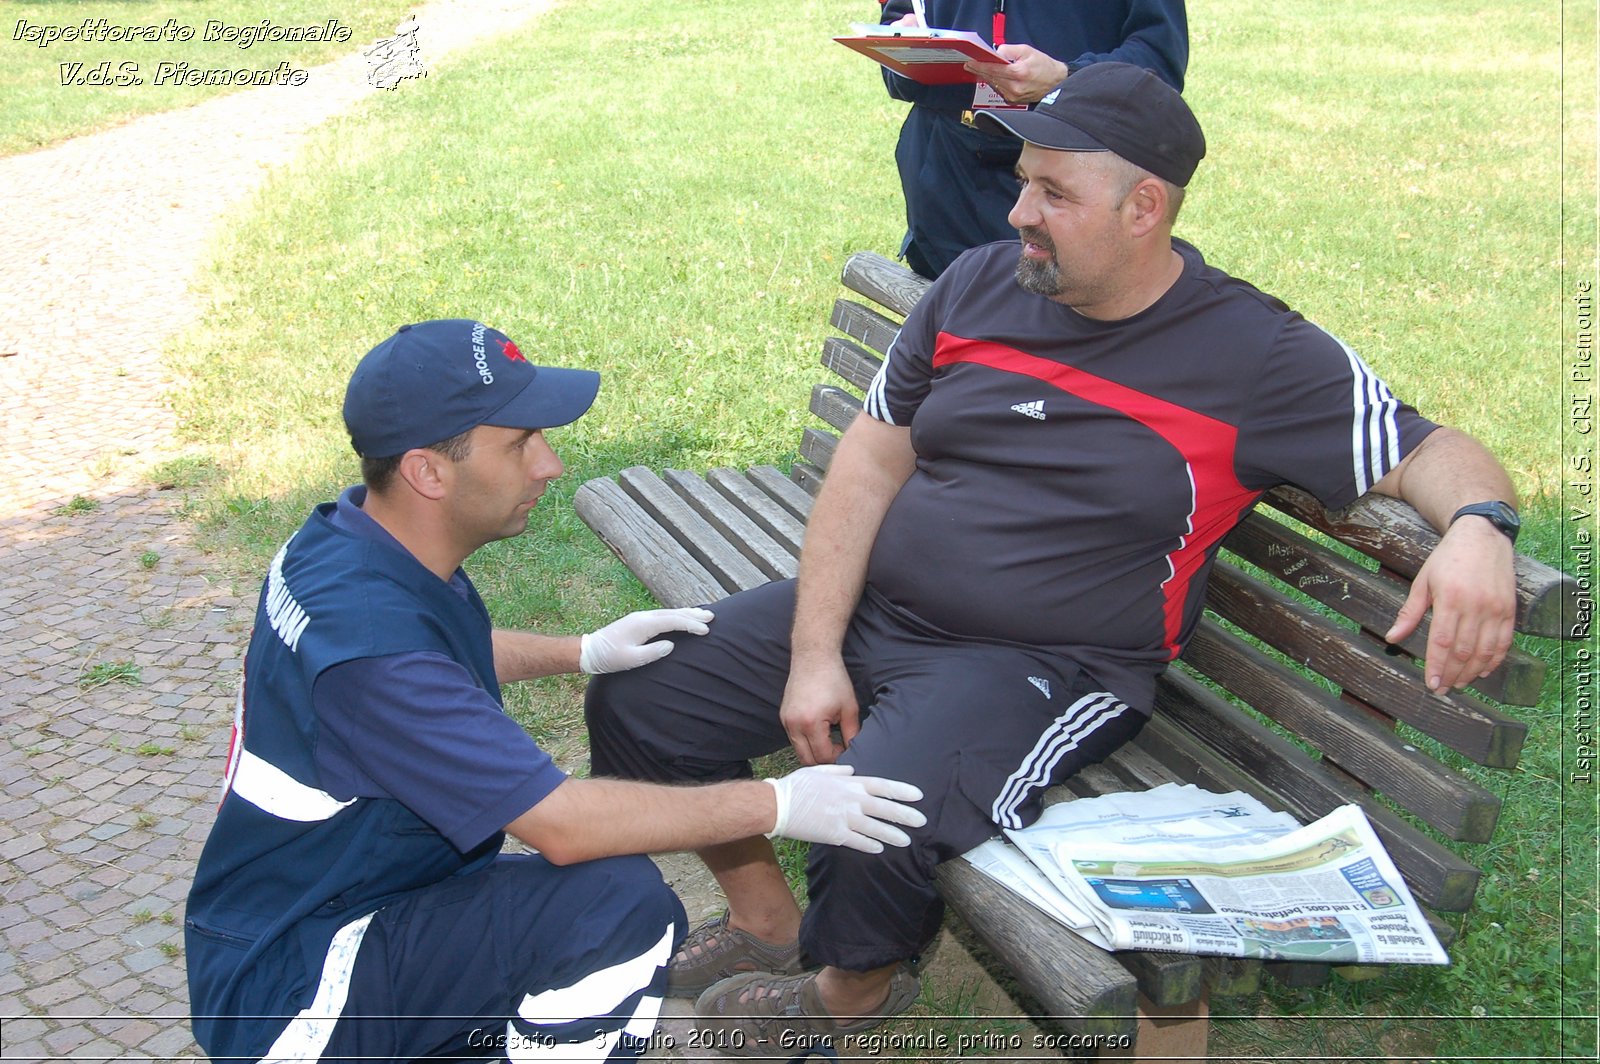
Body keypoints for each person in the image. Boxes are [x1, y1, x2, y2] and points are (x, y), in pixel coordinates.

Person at [584, 63, 1520, 1050]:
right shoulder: (976, 286)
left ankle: (850, 991)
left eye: (1052, 192)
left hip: (1041, 664)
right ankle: (768, 921)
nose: (1019, 209)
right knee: (644, 691)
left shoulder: (1256, 354)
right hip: (875, 613)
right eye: (1023, 180)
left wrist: (1477, 526)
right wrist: (815, 649)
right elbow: (866, 465)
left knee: (874, 806)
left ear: (1143, 207)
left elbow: (1428, 451)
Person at [183, 319, 928, 1063]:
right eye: (519, 443)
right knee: (614, 909)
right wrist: (783, 803)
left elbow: (435, 660)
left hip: (299, 918)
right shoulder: (374, 650)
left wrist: (585, 652)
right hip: (297, 998)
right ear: (428, 473)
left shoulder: (345, 543)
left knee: (597, 899)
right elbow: (562, 823)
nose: (551, 462)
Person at [876, 0, 1188, 279]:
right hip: (941, 169)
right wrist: (901, 37)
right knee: (948, 322)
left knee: (1059, 326)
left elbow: (1159, 58)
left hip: (1069, 170)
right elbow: (901, 12)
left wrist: (1067, 76)